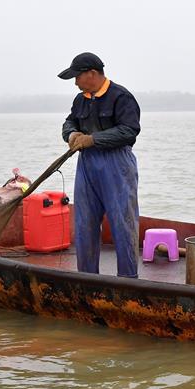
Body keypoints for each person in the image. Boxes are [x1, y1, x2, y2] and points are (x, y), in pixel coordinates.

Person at [59, 52, 141, 277]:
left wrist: (94, 139)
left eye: (77, 77)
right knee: (84, 223)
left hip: (117, 165)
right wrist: (72, 134)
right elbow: (70, 121)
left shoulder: (121, 97)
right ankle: (87, 279)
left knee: (122, 224)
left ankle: (128, 281)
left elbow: (129, 131)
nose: (75, 82)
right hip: (87, 164)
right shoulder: (81, 99)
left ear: (92, 74)